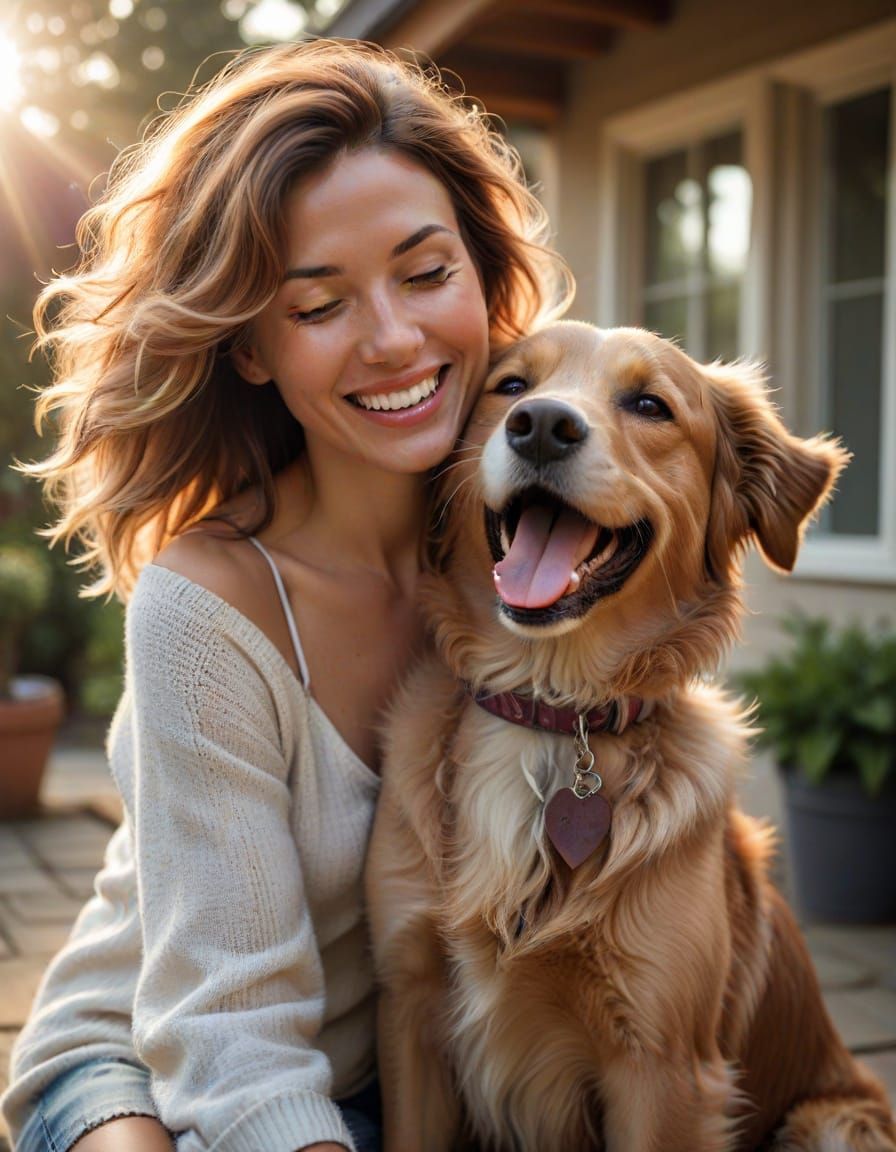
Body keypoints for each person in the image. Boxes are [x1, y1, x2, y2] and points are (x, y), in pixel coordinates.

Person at [1, 38, 572, 1152]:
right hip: (151, 1060)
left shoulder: (540, 555)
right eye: (318, 306)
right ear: (252, 348)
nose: (395, 339)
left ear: (484, 274)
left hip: (408, 1077)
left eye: (425, 272)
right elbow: (226, 1031)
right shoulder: (205, 611)